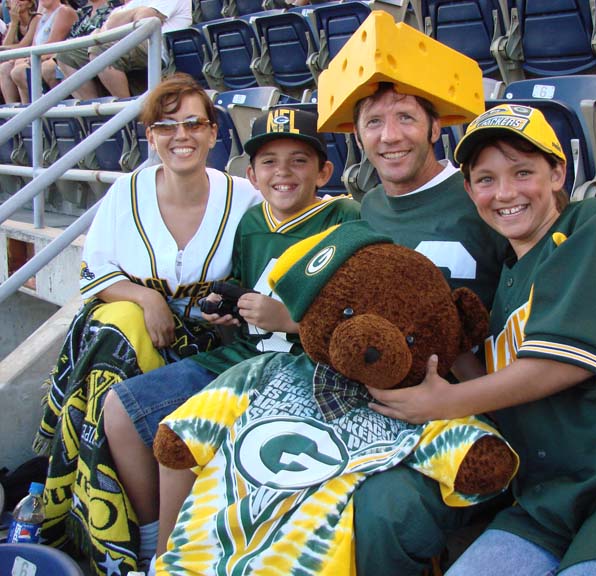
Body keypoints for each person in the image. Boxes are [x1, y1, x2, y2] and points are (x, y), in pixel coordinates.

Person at [347, 81, 596, 576]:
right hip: (544, 497)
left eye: (524, 172)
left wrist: (440, 402)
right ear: (469, 191)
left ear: (558, 173)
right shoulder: (504, 281)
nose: (505, 192)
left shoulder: (592, 220)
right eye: (486, 179)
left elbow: (562, 363)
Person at [101, 106, 360, 570]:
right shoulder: (252, 222)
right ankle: (148, 541)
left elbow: (363, 316)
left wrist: (292, 321)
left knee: (182, 434)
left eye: (299, 160)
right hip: (243, 356)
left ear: (325, 170)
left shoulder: (347, 218)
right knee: (121, 409)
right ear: (252, 175)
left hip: (308, 368)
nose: (283, 172)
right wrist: (227, 316)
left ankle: (170, 558)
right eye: (268, 161)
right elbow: (245, 292)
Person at [33, 73, 260, 576]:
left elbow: (256, 277)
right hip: (127, 336)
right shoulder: (126, 191)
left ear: (213, 132)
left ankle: (141, 535)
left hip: (208, 341)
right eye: (166, 125)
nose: (181, 135)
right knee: (118, 334)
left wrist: (230, 305)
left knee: (123, 347)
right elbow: (95, 276)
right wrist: (144, 297)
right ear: (149, 135)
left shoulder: (244, 195)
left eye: (193, 123)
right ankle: (141, 537)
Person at [65, 0, 191, 100]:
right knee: (66, 55)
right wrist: (135, 12)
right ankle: (94, 113)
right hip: (132, 43)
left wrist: (132, 15)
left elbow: (144, 20)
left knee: (100, 50)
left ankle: (127, 112)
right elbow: (110, 24)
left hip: (159, 48)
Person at [0, 0, 75, 103]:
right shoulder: (44, 17)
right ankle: (17, 113)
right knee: (5, 67)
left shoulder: (63, 11)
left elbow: (52, 44)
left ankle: (35, 111)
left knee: (19, 70)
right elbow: (34, 46)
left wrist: (27, 60)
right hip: (40, 56)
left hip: (53, 57)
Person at [40, 0, 120, 92]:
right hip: (73, 54)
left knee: (50, 66)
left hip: (97, 53)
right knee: (58, 59)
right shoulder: (83, 13)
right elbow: (70, 39)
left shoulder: (114, 9)